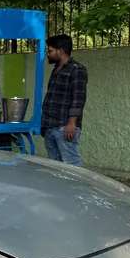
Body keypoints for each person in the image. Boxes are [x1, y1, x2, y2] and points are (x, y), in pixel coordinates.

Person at [42, 34, 87, 166]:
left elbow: (78, 98)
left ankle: (78, 187)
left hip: (65, 127)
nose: (48, 54)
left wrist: (72, 123)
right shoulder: (56, 69)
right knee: (56, 167)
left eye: (50, 51)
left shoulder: (77, 70)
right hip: (51, 125)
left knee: (72, 165)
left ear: (60, 51)